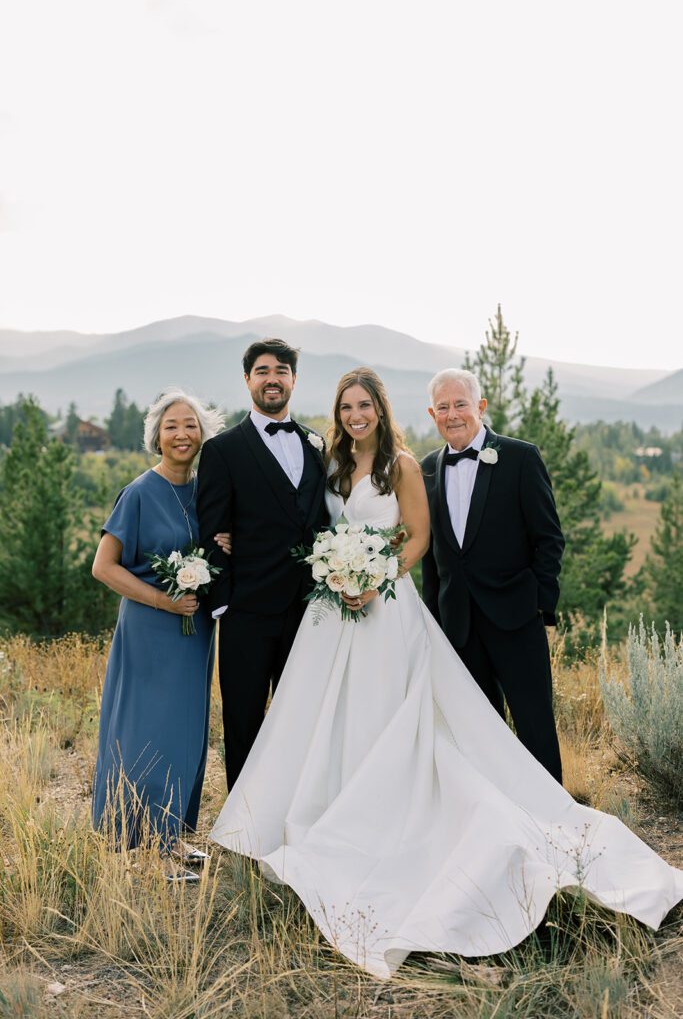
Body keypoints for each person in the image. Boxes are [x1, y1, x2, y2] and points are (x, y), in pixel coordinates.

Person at [210, 366, 683, 979]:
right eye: (346, 407)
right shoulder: (329, 464)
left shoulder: (405, 466)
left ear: (381, 409)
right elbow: (303, 522)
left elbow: (417, 539)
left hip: (388, 606)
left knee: (409, 714)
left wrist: (375, 578)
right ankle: (332, 815)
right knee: (330, 716)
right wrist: (241, 540)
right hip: (333, 613)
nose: (356, 415)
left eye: (365, 405)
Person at [92, 389, 226, 880]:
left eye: (190, 425)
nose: (181, 434)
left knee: (186, 731)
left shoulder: (207, 491)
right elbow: (103, 567)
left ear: (202, 433)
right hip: (150, 630)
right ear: (156, 436)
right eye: (171, 426)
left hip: (195, 632)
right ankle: (149, 845)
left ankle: (173, 835)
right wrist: (162, 600)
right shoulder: (139, 492)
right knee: (148, 730)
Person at [197, 338, 328, 791]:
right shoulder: (222, 450)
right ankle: (243, 818)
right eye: (263, 371)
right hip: (247, 612)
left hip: (310, 611)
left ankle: (293, 811)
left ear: (294, 379)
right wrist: (223, 603)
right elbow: (212, 530)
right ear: (247, 379)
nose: (273, 379)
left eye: (281, 371)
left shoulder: (316, 443)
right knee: (244, 721)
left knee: (302, 720)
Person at [421, 368, 564, 782]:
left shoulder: (521, 457)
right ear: (432, 414)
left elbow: (549, 539)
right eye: (443, 407)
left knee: (535, 727)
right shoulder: (427, 469)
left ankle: (551, 815)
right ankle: (498, 814)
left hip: (516, 617)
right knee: (478, 734)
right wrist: (433, 621)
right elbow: (432, 556)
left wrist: (539, 605)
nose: (452, 414)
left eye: (460, 404)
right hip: (458, 627)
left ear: (480, 407)